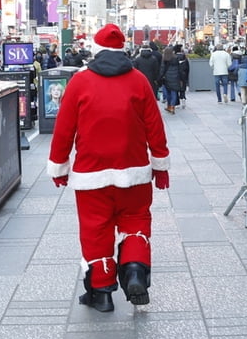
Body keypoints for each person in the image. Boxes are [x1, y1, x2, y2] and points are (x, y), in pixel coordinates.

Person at [47, 23, 170, 313]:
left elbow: (64, 129)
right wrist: (161, 165)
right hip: (135, 171)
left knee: (95, 229)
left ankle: (101, 293)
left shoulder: (79, 82)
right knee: (136, 221)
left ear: (96, 49)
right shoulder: (138, 80)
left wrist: (60, 166)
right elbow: (155, 126)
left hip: (92, 175)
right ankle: (135, 272)